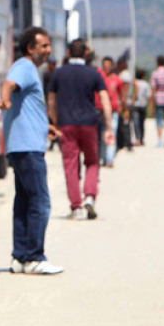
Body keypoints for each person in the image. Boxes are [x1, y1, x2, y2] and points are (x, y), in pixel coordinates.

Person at [0, 27, 64, 275]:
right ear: (30, 48)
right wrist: (4, 99)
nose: (48, 50)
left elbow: (28, 106)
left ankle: (20, 257)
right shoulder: (24, 66)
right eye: (43, 46)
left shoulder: (29, 69)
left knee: (24, 202)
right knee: (40, 203)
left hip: (23, 144)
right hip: (27, 148)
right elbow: (9, 85)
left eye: (48, 45)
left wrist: (45, 127)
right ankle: (34, 257)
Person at [48, 38, 112, 220]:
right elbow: (105, 100)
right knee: (92, 161)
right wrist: (108, 126)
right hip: (89, 123)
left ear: (68, 52)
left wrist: (54, 122)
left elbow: (51, 101)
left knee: (70, 164)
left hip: (66, 124)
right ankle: (90, 196)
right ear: (85, 53)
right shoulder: (93, 74)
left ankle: (75, 206)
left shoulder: (58, 74)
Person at [96, 56, 123, 167]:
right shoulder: (98, 77)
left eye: (108, 65)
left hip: (113, 111)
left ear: (112, 66)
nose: (106, 67)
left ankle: (109, 159)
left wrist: (122, 105)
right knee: (101, 135)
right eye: (104, 65)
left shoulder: (117, 79)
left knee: (111, 133)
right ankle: (101, 156)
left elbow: (121, 94)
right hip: (100, 110)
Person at [130, 68, 152, 146]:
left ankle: (138, 139)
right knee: (142, 123)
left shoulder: (134, 83)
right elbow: (149, 96)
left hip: (135, 105)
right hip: (143, 105)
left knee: (136, 123)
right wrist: (151, 107)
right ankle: (141, 139)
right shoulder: (146, 84)